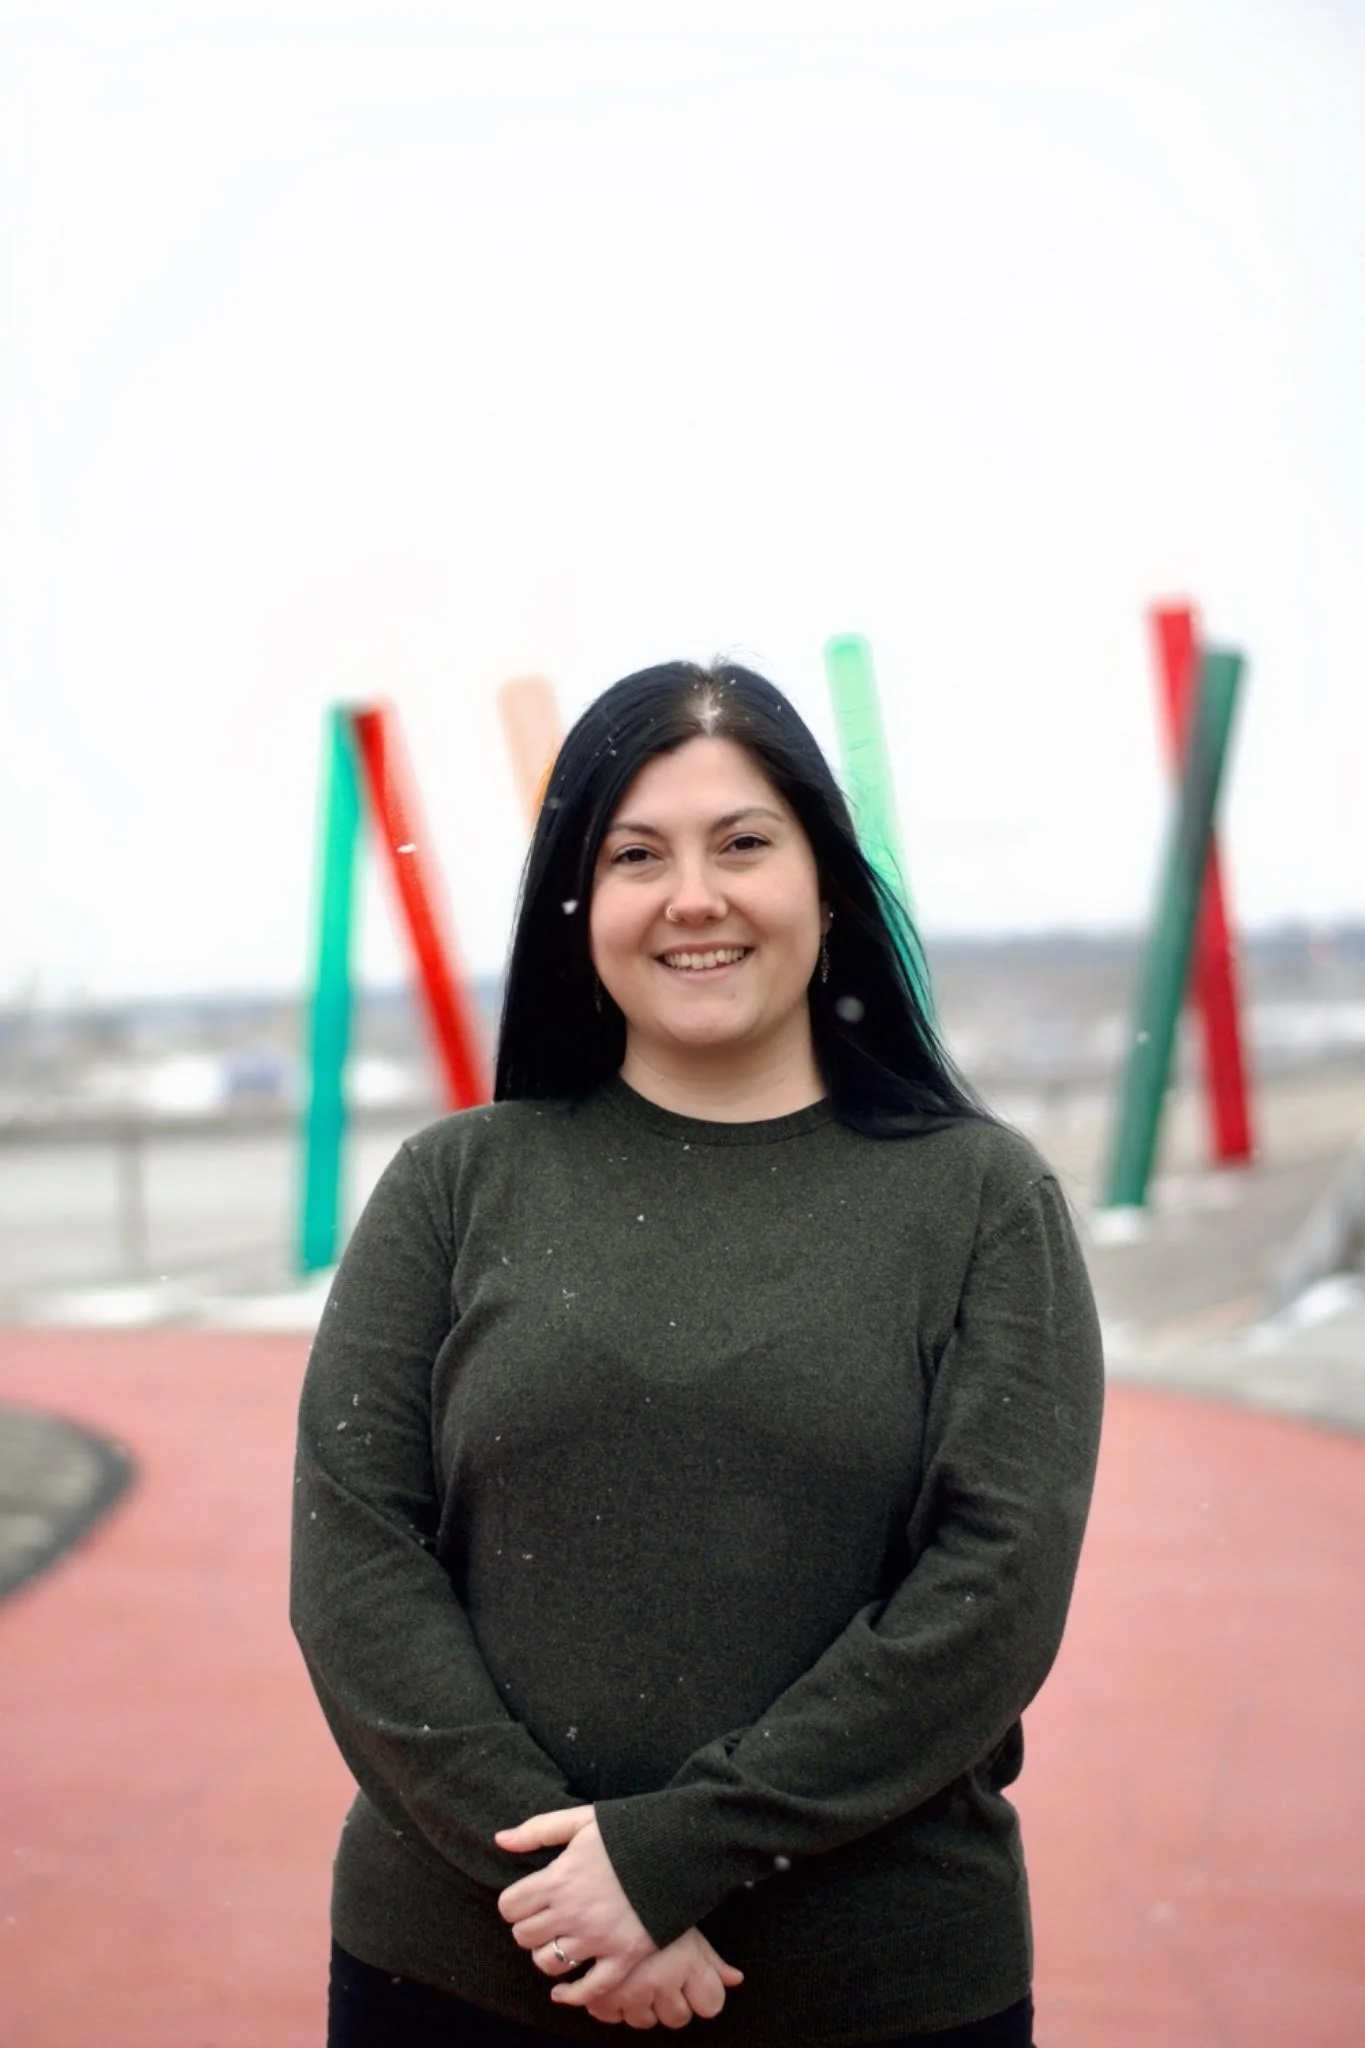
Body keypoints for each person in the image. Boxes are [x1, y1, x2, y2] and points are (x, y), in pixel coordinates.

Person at [291, 659, 1104, 2048]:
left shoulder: (981, 1202)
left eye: (743, 844)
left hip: (876, 1992)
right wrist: (557, 1885)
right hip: (465, 1981)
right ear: (579, 904)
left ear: (827, 883)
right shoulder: (453, 1185)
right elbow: (355, 1557)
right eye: (635, 856)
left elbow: (992, 1594)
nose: (694, 898)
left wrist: (676, 1859)